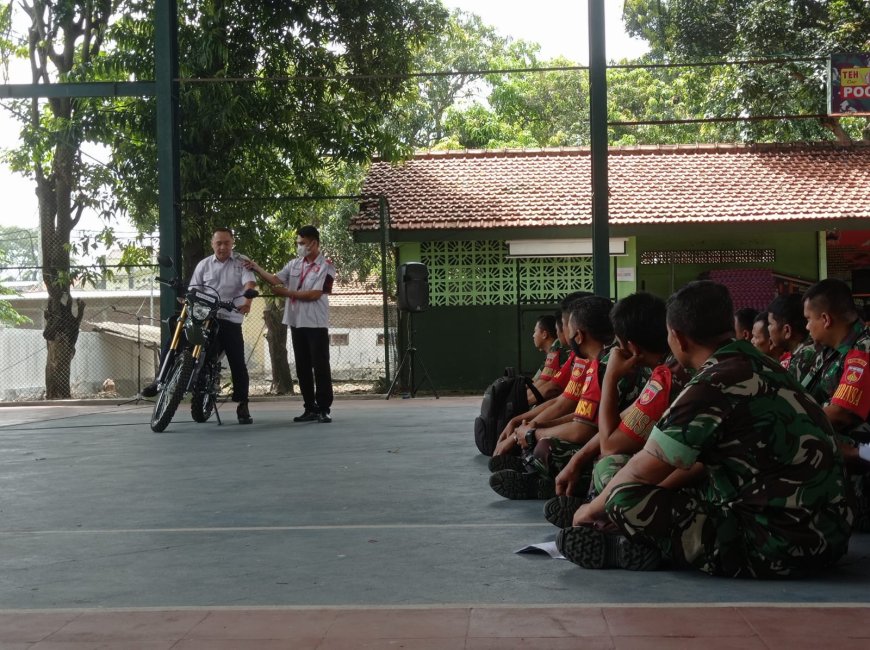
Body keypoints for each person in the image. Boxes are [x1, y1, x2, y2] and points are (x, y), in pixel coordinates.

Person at [557, 281, 852, 578]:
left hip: (778, 547)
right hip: (830, 535)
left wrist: (589, 511)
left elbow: (639, 469)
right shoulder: (762, 364)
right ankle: (636, 540)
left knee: (621, 493)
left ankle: (636, 545)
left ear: (678, 338)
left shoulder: (711, 384)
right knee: (625, 481)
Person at [544, 292, 694, 527]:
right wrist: (577, 461)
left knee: (608, 467)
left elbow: (609, 444)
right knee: (600, 461)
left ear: (631, 347)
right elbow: (629, 415)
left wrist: (611, 376)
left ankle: (612, 526)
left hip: (700, 492)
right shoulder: (667, 367)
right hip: (673, 464)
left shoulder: (669, 375)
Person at [143, 227, 257, 425]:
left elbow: (249, 284)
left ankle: (243, 404)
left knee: (238, 360)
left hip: (229, 317)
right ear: (212, 244)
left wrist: (246, 302)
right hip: (204, 315)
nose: (222, 247)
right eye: (218, 243)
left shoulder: (241, 262)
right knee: (174, 339)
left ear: (232, 243)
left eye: (226, 243)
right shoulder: (204, 265)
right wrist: (185, 295)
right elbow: (195, 288)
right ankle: (158, 380)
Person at [247, 225, 335, 424]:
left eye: (302, 243)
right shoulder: (294, 264)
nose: (299, 247)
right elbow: (275, 279)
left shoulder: (326, 266)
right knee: (302, 366)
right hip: (296, 321)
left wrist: (287, 293)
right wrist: (256, 268)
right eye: (298, 243)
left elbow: (315, 294)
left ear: (314, 243)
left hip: (316, 322)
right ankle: (309, 407)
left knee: (320, 365)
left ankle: (324, 408)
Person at [766, 292, 814, 381]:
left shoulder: (801, 361)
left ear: (787, 330)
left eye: (770, 324)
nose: (768, 329)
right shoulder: (812, 349)